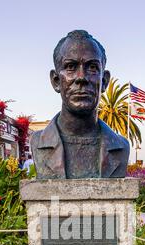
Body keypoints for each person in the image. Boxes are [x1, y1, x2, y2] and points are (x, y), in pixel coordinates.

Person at [31, 30, 129, 179]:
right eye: (70, 67)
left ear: (104, 81)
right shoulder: (38, 142)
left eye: (92, 67)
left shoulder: (121, 147)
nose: (81, 77)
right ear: (56, 81)